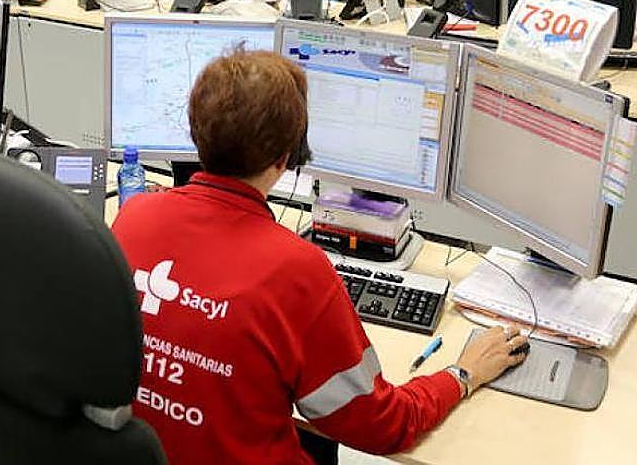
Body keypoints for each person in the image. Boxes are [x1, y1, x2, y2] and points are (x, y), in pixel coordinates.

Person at [111, 49, 527, 464]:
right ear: (287, 157)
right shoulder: (297, 270)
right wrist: (462, 374)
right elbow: (384, 426)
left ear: (194, 133)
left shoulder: (134, 216)